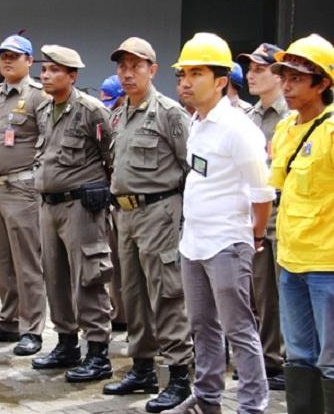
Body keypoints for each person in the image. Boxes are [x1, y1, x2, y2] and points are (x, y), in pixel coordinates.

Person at [167, 32, 273, 414]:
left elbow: (262, 194)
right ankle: (207, 398)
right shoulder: (198, 122)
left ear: (221, 81)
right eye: (184, 74)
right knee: (202, 326)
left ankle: (252, 406)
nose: (186, 82)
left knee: (239, 329)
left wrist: (254, 236)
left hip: (227, 243)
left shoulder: (239, 129)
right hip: (193, 242)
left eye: (197, 73)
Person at [106, 37, 194, 413]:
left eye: (136, 66)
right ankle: (141, 367)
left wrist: (184, 219)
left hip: (159, 212)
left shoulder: (170, 113)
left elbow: (192, 168)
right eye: (122, 66)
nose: (127, 73)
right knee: (132, 294)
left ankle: (179, 376)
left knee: (167, 293)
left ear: (152, 70)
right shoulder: (120, 113)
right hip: (124, 215)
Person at [30, 44, 115, 383]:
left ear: (72, 75)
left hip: (81, 206)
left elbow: (111, 153)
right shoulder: (44, 110)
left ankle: (97, 352)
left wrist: (102, 191)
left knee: (89, 277)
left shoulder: (91, 110)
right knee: (55, 276)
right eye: (44, 69)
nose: (45, 75)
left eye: (53, 70)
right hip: (49, 206)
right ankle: (66, 343)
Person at [267, 33, 334, 414]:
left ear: (323, 84)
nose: (286, 86)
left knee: (330, 360)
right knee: (299, 356)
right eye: (285, 77)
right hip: (290, 260)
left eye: (296, 78)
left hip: (327, 265)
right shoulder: (287, 128)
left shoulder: (330, 131)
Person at [0, 34, 47, 356]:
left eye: (14, 56)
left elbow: (49, 142)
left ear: (29, 61)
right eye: (3, 55)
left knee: (27, 262)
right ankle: (8, 320)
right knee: (1, 262)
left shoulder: (37, 97)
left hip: (23, 188)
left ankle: (32, 328)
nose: (6, 60)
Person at [237, 43, 289, 391]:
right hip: (256, 213)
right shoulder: (249, 118)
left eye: (259, 69)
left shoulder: (291, 118)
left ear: (279, 75)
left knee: (286, 290)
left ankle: (288, 358)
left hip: (287, 212)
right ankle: (267, 358)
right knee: (259, 291)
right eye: (250, 69)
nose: (251, 75)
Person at [98, 74, 127, 333]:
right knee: (115, 262)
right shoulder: (110, 119)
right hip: (114, 200)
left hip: (142, 206)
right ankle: (120, 313)